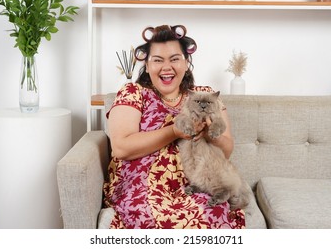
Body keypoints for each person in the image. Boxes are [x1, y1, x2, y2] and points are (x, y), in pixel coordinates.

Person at [104, 24, 245, 229]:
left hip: (197, 185)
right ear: (147, 65)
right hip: (143, 188)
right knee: (158, 220)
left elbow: (227, 150)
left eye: (174, 59)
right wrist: (173, 132)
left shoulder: (205, 95)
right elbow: (121, 148)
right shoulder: (133, 93)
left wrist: (209, 133)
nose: (166, 67)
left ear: (186, 63)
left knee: (213, 214)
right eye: (158, 60)